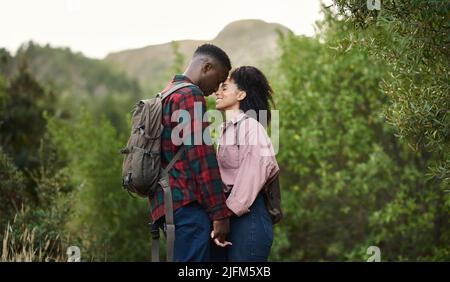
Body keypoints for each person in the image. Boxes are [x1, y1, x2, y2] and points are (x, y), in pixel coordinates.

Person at [149, 44, 232, 262]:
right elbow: (201, 156)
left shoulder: (166, 94)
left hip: (166, 204)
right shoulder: (190, 94)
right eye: (218, 80)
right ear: (207, 66)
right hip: (187, 207)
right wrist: (219, 213)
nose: (216, 90)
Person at [213, 66, 279, 261]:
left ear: (241, 94)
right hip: (233, 215)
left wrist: (223, 216)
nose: (218, 92)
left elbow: (252, 174)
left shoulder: (251, 127)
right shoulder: (227, 130)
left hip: (248, 217)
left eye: (224, 88)